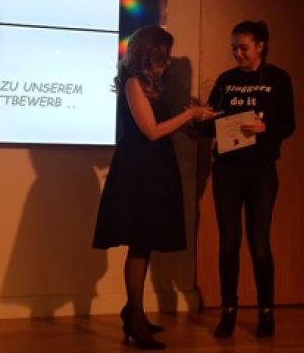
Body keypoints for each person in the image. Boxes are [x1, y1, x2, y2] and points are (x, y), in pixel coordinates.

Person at [92, 25, 217, 350]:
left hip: (153, 168)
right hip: (138, 171)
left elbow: (160, 127)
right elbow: (151, 131)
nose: (168, 63)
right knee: (139, 242)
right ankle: (134, 316)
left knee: (144, 242)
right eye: (164, 57)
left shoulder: (151, 85)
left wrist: (194, 117)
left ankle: (134, 312)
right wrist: (189, 114)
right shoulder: (134, 83)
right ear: (149, 55)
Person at [200, 20, 295, 339]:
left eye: (243, 47)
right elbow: (210, 123)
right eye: (234, 47)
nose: (238, 53)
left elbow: (289, 124)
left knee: (259, 243)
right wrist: (200, 117)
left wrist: (266, 128)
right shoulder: (226, 80)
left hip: (260, 169)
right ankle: (228, 310)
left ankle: (266, 312)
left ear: (260, 46)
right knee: (228, 243)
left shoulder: (278, 78)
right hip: (227, 169)